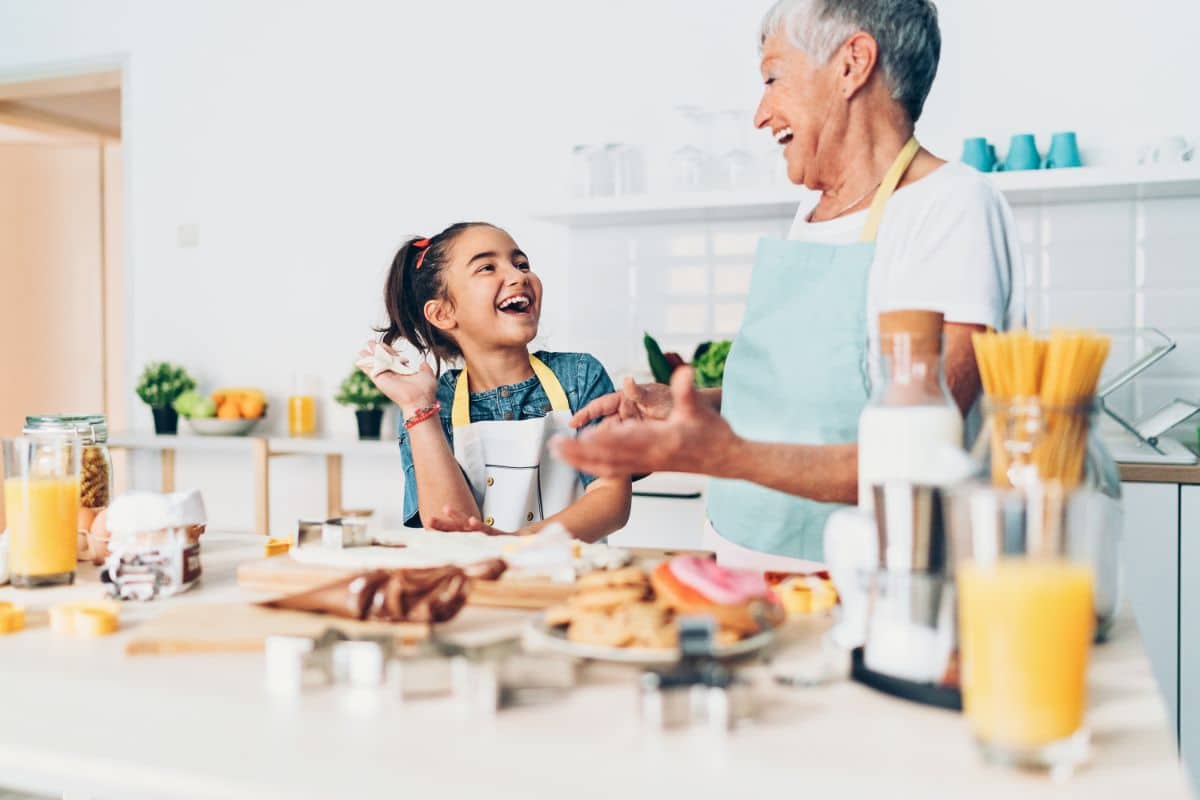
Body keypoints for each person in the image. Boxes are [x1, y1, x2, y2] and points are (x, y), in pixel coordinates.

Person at [557, 0, 1024, 569]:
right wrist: (693, 408)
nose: (760, 114)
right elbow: (811, 402)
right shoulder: (811, 212)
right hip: (745, 560)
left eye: (773, 78)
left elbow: (919, 446)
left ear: (853, 63)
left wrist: (725, 455)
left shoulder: (951, 206)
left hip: (872, 579)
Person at [361, 222, 631, 542]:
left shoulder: (580, 376)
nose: (519, 276)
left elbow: (611, 498)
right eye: (487, 267)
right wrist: (417, 407)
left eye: (521, 264)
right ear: (443, 313)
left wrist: (518, 542)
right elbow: (450, 527)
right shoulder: (435, 404)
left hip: (572, 582)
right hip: (481, 587)